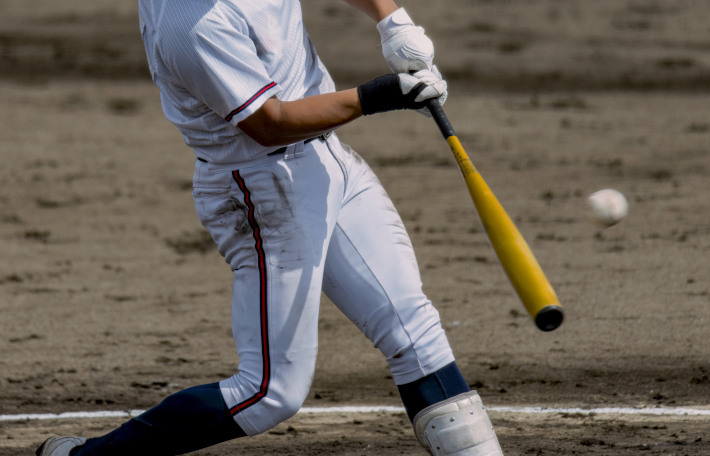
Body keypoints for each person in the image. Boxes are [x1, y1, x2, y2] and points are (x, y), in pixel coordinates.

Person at [37, 1, 503, 455]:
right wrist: (377, 96)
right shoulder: (191, 24)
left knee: (414, 330)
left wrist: (392, 21)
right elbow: (270, 122)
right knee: (267, 393)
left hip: (329, 159)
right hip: (264, 188)